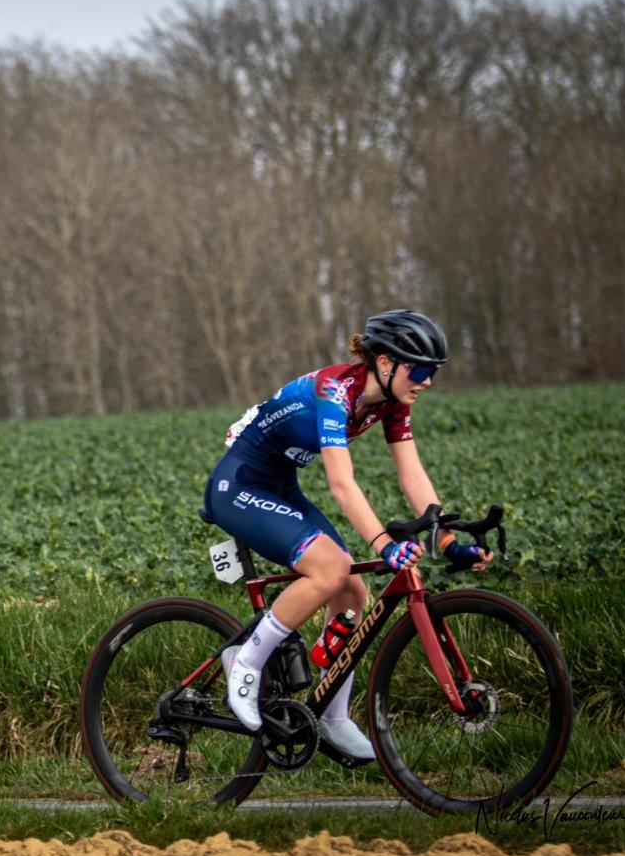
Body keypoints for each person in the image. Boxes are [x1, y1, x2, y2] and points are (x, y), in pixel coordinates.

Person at [203, 310, 492, 762]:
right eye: (420, 370)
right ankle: (246, 662)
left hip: (280, 486)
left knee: (353, 588)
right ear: (384, 363)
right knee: (332, 568)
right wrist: (384, 544)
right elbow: (341, 483)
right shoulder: (335, 392)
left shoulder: (394, 404)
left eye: (433, 372)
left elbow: (411, 474)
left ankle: (333, 717)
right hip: (238, 487)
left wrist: (448, 539)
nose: (428, 381)